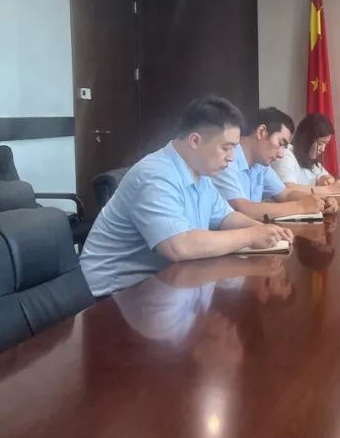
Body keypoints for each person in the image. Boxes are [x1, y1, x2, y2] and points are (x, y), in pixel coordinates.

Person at [80, 96, 294, 297]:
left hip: (162, 285)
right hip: (111, 296)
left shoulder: (201, 174)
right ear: (195, 140)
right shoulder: (155, 175)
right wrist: (251, 236)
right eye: (226, 148)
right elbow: (179, 246)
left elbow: (226, 217)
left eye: (234, 149)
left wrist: (264, 230)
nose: (231, 158)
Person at [211, 107, 331, 220]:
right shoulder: (227, 159)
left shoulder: (261, 165)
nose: (281, 154)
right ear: (261, 132)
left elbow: (285, 194)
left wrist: (321, 201)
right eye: (280, 144)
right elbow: (243, 209)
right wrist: (301, 207)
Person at [271, 112, 340, 196]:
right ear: (305, 138)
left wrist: (326, 180)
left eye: (326, 144)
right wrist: (327, 190)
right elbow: (288, 189)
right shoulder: (285, 155)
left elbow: (326, 177)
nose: (323, 149)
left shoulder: (311, 161)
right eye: (320, 143)